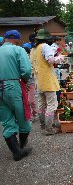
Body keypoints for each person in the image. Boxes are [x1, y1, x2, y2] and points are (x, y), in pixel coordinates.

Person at [0, 30, 32, 161]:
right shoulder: (18, 50)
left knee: (7, 120)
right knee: (23, 117)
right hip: (12, 85)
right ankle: (21, 148)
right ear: (17, 39)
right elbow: (26, 70)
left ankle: (16, 151)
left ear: (5, 39)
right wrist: (24, 80)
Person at [31, 29, 64, 135]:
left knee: (41, 104)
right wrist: (59, 58)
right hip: (47, 79)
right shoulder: (45, 47)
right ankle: (48, 128)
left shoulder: (34, 49)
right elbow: (50, 60)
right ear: (46, 39)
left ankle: (43, 125)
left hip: (38, 80)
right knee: (51, 104)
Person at [22, 43, 37, 121]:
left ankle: (34, 113)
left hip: (30, 82)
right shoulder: (20, 60)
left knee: (31, 100)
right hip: (23, 83)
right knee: (25, 100)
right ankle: (29, 114)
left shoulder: (31, 60)